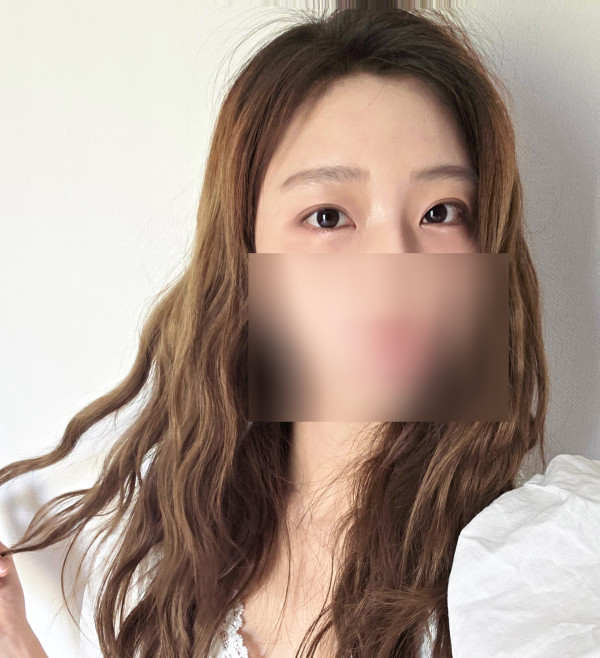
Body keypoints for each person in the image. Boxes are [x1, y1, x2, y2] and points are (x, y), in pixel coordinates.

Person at [1, 7, 599, 658]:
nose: (396, 264)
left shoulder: (554, 559)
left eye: (440, 212)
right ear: (245, 258)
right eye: (328, 217)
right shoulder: (162, 544)